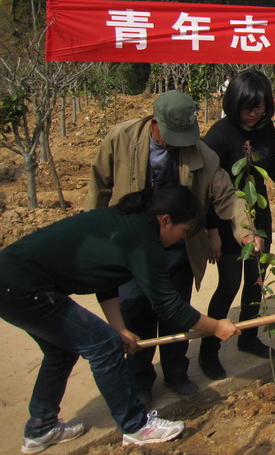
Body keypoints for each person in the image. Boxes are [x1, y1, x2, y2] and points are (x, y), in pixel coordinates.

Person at [0, 186, 242, 452]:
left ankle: (41, 428)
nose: (179, 240)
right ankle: (136, 426)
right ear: (166, 220)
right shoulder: (143, 240)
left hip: (14, 282)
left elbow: (104, 278)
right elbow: (169, 306)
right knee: (103, 346)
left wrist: (120, 328)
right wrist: (215, 326)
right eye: (183, 232)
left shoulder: (125, 222)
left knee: (63, 352)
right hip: (22, 288)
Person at [84, 91, 258, 405]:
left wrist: (245, 231)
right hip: (131, 246)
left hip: (178, 245)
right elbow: (99, 186)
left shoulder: (202, 155)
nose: (178, 143)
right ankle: (140, 379)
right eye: (171, 136)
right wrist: (92, 235)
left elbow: (227, 196)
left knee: (177, 312)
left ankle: (177, 372)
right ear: (155, 123)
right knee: (135, 312)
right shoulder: (120, 139)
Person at [199, 70, 275, 380]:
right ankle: (209, 350)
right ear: (234, 103)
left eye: (259, 107)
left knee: (256, 281)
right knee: (230, 284)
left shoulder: (263, 129)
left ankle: (249, 337)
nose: (254, 113)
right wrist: (212, 233)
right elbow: (207, 187)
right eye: (248, 107)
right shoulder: (218, 136)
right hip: (226, 220)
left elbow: (272, 163)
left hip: (258, 215)